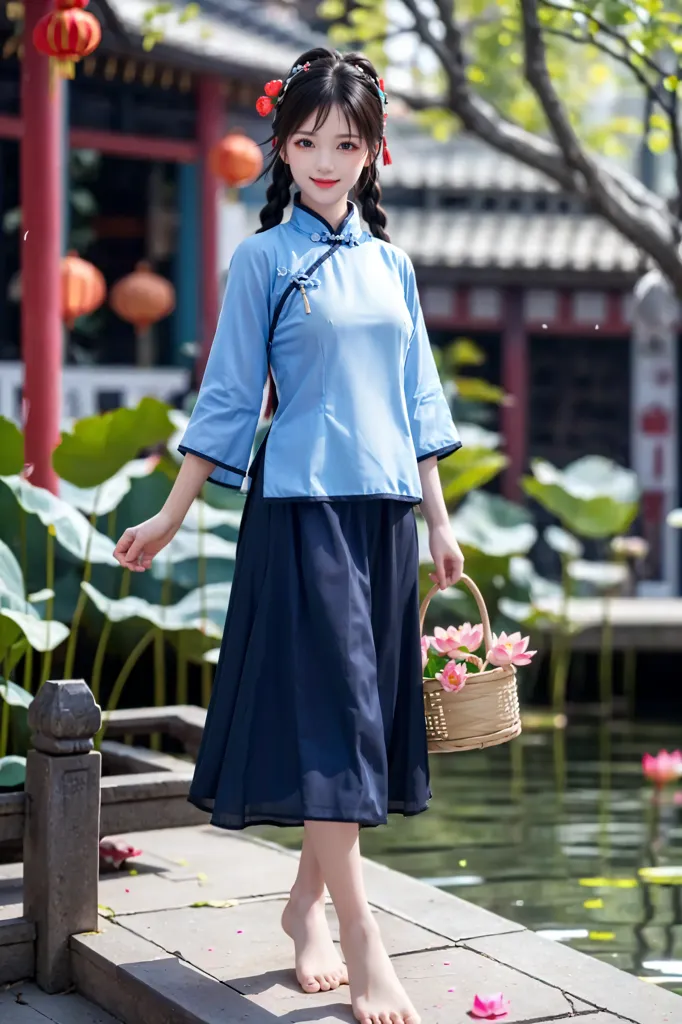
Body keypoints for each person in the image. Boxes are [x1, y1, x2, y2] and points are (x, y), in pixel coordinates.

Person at [114, 46, 464, 1024]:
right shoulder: (262, 258)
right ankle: (363, 942)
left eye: (343, 143)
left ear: (373, 153)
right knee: (338, 717)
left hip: (386, 517)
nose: (322, 158)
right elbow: (228, 399)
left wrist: (439, 527)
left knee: (358, 718)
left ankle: (306, 903)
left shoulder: (391, 265)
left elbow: (417, 400)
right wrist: (169, 512)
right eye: (304, 140)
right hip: (302, 509)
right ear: (279, 146)